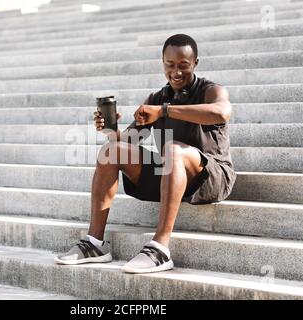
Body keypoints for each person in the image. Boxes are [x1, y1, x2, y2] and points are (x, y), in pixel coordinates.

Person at [55, 34, 236, 274]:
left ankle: (160, 248)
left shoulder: (210, 91)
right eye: (170, 65)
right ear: (163, 62)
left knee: (173, 149)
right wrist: (111, 130)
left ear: (195, 63)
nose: (176, 72)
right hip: (170, 172)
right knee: (112, 151)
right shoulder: (157, 99)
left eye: (183, 65)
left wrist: (164, 112)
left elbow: (221, 112)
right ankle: (95, 244)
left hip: (211, 175)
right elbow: (127, 144)